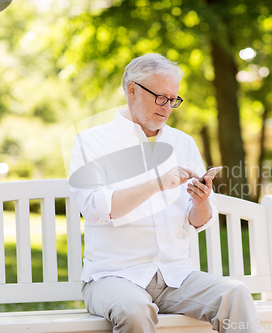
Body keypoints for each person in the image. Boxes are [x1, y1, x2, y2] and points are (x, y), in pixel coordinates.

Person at [69, 53, 260, 333]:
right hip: (113, 277)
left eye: (174, 99)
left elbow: (199, 221)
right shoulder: (92, 141)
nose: (168, 107)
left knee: (235, 294)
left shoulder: (182, 142)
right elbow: (96, 210)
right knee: (136, 311)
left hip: (175, 276)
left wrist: (201, 201)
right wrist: (155, 183)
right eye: (161, 97)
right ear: (132, 89)